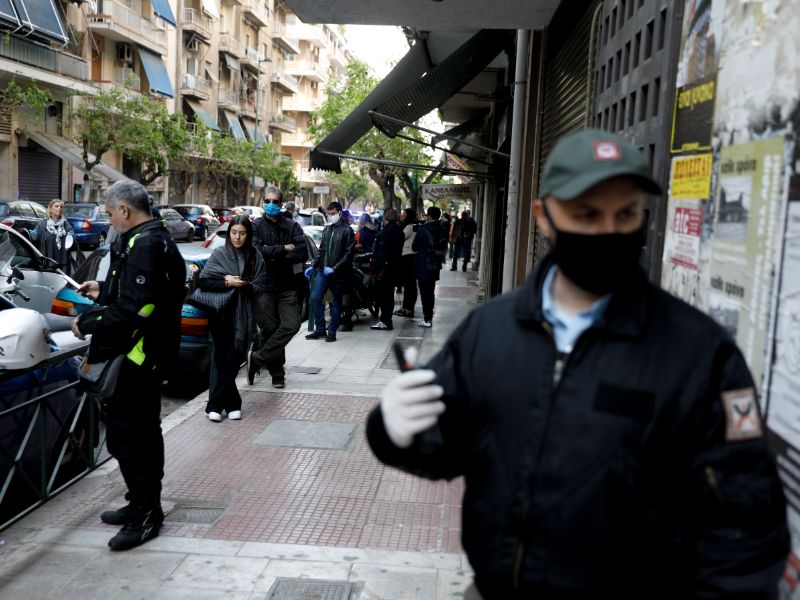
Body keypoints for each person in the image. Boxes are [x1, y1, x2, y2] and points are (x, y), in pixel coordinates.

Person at [366, 129, 789, 598]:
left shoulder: (699, 354)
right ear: (544, 218)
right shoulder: (489, 331)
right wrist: (392, 429)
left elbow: (745, 531)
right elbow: (444, 449)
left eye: (625, 214)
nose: (608, 230)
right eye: (586, 214)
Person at [72, 180, 185, 551]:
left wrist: (87, 321)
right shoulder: (151, 239)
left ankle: (145, 514)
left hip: (140, 357)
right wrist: (101, 293)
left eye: (108, 214)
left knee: (129, 436)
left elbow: (138, 307)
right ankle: (142, 502)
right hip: (147, 355)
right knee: (139, 434)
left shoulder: (147, 243)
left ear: (125, 210)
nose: (109, 221)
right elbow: (139, 294)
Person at [201, 215, 266, 420]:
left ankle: (214, 404)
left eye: (242, 233)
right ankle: (231, 405)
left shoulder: (255, 257)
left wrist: (243, 284)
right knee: (222, 360)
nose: (237, 237)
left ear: (249, 234)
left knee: (234, 358)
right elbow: (204, 282)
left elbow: (261, 284)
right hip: (219, 313)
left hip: (244, 316)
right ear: (229, 233)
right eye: (234, 232)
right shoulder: (219, 253)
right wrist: (226, 282)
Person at [248, 186, 308, 388]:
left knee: (292, 325)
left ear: (281, 204)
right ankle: (277, 373)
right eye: (268, 201)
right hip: (264, 287)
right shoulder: (255, 226)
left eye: (275, 202)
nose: (271, 205)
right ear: (262, 202)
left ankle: (257, 358)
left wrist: (272, 256)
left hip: (288, 286)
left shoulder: (292, 226)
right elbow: (256, 252)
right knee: (270, 329)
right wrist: (283, 249)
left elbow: (300, 253)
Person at [305, 201, 354, 342]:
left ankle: (331, 332)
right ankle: (320, 329)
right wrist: (314, 265)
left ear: (339, 213)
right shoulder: (327, 230)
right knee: (315, 297)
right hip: (322, 271)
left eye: (332, 214)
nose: (330, 216)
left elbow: (348, 254)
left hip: (337, 274)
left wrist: (334, 268)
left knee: (335, 303)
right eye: (328, 214)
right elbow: (322, 251)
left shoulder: (347, 231)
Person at [412, 207, 448, 328]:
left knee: (424, 292)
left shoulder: (423, 230)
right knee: (431, 291)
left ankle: (427, 319)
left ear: (429, 216)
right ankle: (429, 316)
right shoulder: (443, 229)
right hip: (436, 264)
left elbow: (414, 247)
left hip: (424, 264)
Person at [369, 207, 404, 331]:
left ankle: (385, 321)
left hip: (385, 269)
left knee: (385, 296)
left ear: (386, 218)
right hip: (394, 266)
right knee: (388, 295)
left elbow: (382, 253)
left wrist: (374, 268)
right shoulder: (399, 231)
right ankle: (386, 320)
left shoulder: (387, 232)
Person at [35, 199, 74, 272]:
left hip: (63, 264)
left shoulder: (66, 225)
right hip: (48, 263)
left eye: (61, 207)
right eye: (56, 206)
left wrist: (72, 236)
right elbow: (35, 242)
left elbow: (72, 243)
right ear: (50, 209)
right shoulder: (42, 225)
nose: (59, 208)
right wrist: (34, 236)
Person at [395, 208, 418, 319]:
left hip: (408, 257)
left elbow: (400, 237)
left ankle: (408, 309)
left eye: (403, 214)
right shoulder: (408, 226)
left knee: (409, 285)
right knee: (407, 285)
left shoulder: (410, 227)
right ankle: (405, 308)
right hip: (406, 257)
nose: (401, 216)